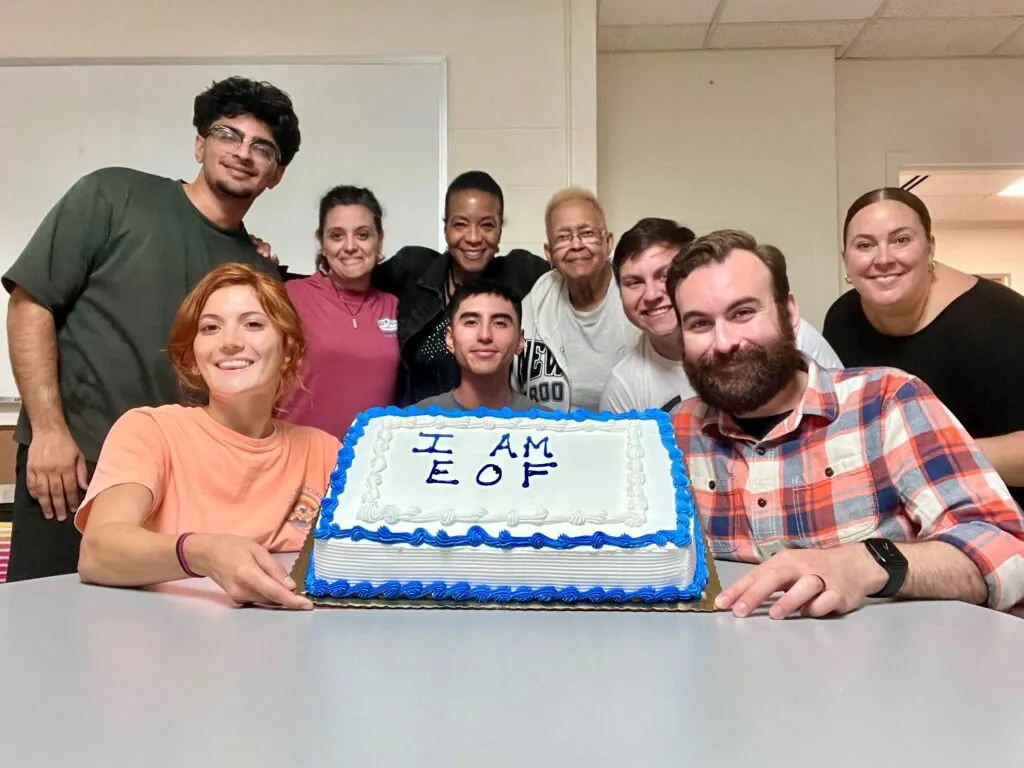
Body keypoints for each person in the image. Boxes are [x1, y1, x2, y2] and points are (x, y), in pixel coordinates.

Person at [1, 76, 302, 581]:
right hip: (73, 467)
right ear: (200, 144)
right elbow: (31, 304)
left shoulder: (258, 270)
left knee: (161, 628)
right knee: (44, 616)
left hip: (179, 488)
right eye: (228, 134)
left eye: (262, 147)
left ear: (276, 173)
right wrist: (49, 432)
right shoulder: (114, 194)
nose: (243, 152)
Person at [666, 229, 1024, 618]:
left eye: (743, 313)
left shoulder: (887, 401)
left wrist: (865, 563)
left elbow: (1009, 552)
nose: (723, 342)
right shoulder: (674, 433)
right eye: (699, 324)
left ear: (789, 313)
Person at [76, 264, 338, 610]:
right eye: (210, 327)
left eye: (253, 324)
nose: (229, 342)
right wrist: (203, 553)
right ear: (194, 358)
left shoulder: (323, 451)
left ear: (289, 350)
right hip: (163, 635)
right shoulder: (149, 431)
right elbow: (97, 552)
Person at [823, 187, 1024, 509]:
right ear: (845, 258)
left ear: (930, 248)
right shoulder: (842, 319)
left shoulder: (1002, 319)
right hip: (907, 516)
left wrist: (927, 453)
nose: (883, 259)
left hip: (1005, 517)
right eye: (865, 245)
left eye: (901, 240)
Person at [600, 217, 843, 413]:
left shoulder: (788, 335)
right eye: (634, 282)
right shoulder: (626, 387)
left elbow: (843, 402)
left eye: (665, 275)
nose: (652, 294)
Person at [371, 171, 550, 406]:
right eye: (460, 225)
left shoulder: (522, 273)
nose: (473, 237)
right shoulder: (412, 270)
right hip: (420, 423)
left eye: (487, 225)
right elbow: (353, 284)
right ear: (446, 228)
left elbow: (573, 282)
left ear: (500, 230)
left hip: (500, 423)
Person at [277, 186, 399, 437]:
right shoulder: (290, 296)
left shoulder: (394, 306)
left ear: (379, 240)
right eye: (337, 236)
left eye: (363, 235)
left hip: (369, 457)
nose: (350, 246)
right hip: (297, 453)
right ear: (322, 243)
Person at [513, 187, 639, 410]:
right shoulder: (535, 303)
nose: (576, 245)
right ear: (549, 253)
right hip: (551, 430)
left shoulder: (637, 294)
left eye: (587, 233)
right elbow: (511, 391)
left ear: (608, 242)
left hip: (629, 428)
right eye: (563, 238)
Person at [415, 282, 542, 413]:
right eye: (471, 322)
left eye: (500, 323)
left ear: (520, 341)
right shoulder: (414, 421)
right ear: (450, 338)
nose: (485, 336)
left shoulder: (546, 423)